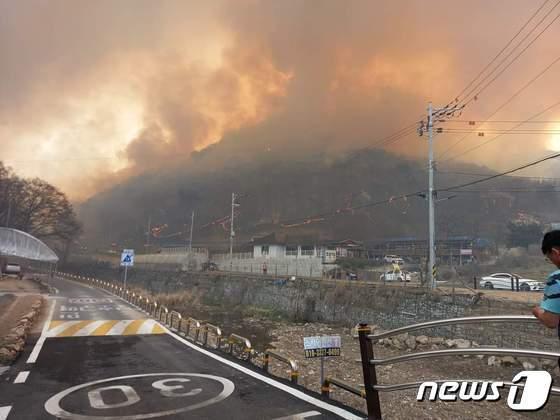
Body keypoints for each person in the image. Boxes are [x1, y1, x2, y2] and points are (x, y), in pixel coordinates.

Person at [532, 230, 560, 330]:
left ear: (555, 252)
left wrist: (537, 311)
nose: (552, 263)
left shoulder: (556, 279)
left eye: (550, 258)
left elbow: (551, 321)